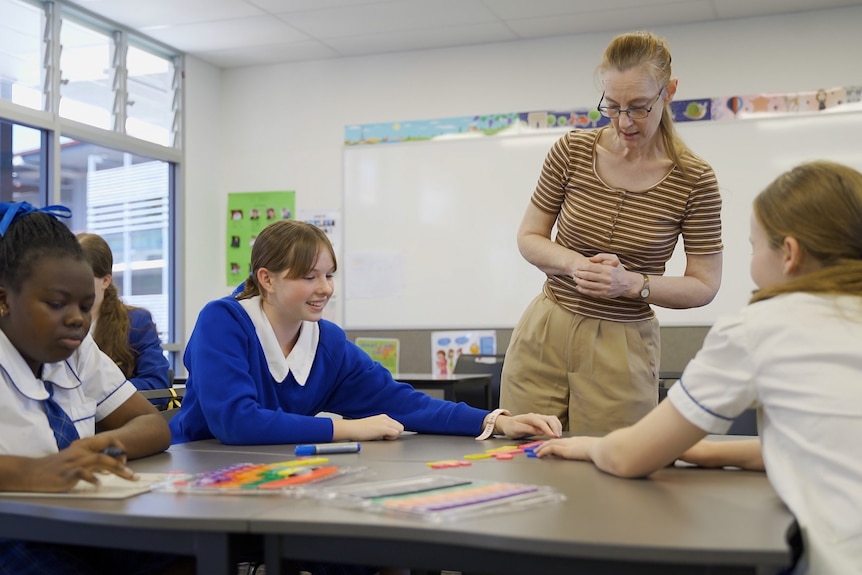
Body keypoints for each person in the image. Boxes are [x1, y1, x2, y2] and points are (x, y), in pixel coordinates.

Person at [535, 161, 862, 574]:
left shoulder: (760, 328)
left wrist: (592, 444)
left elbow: (630, 458)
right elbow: (830, 443)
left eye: (754, 247)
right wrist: (709, 451)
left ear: (790, 255)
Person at [500, 30, 723, 434]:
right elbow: (529, 237)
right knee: (522, 457)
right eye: (612, 106)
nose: (623, 121)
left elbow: (704, 285)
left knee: (610, 470)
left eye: (638, 107)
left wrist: (630, 284)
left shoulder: (695, 179)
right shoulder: (572, 151)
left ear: (668, 92)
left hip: (623, 343)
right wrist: (574, 265)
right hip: (546, 327)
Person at [170, 219, 562, 446]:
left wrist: (494, 421)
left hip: (271, 474)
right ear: (266, 279)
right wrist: (346, 428)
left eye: (329, 275)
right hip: (191, 473)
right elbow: (236, 422)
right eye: (309, 276)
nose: (325, 288)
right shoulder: (223, 321)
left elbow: (402, 403)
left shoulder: (327, 342)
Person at [0, 202, 191, 574]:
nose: (76, 319)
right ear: (4, 299)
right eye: (56, 304)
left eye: (86, 306)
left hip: (76, 520)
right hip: (12, 530)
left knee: (185, 556)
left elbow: (151, 425)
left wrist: (96, 446)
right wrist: (31, 472)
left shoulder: (78, 348)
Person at [77, 232, 171, 393]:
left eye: (81, 279)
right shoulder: (54, 323)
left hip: (113, 416)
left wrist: (104, 393)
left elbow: (157, 383)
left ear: (105, 281)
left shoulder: (136, 322)